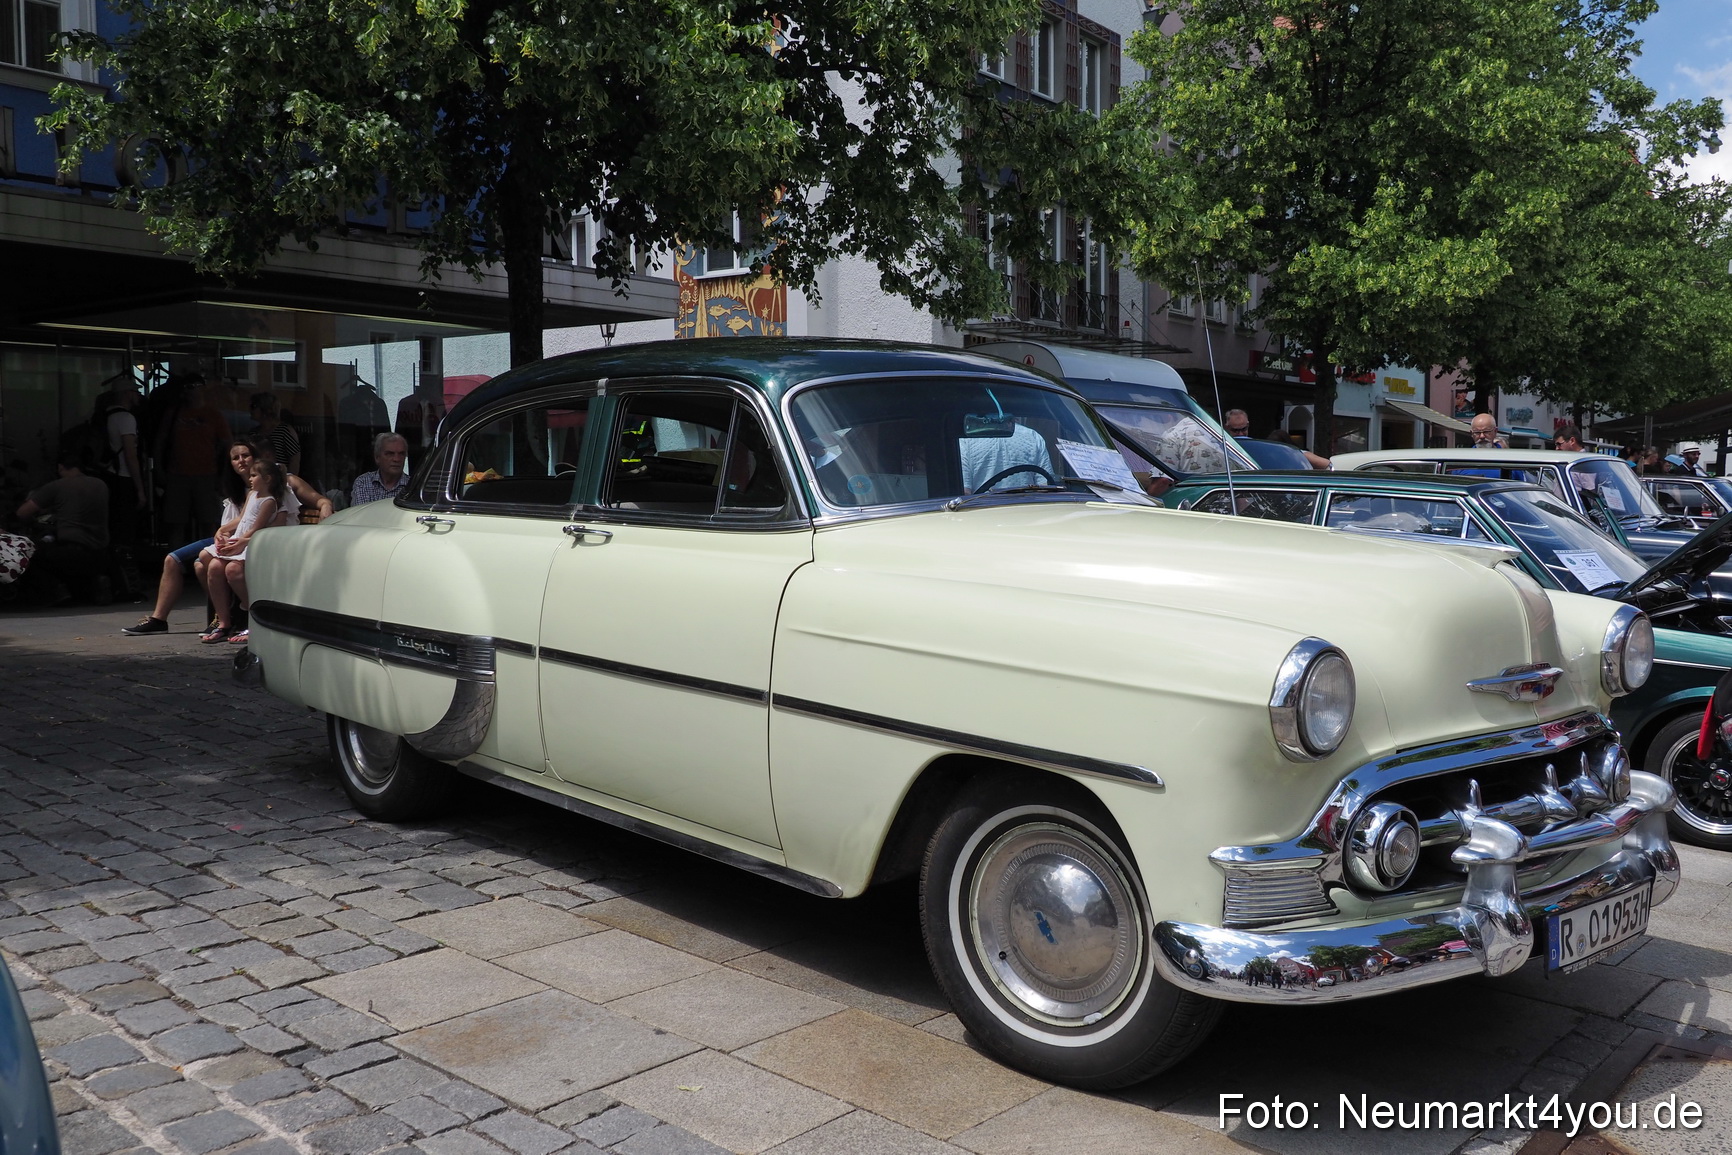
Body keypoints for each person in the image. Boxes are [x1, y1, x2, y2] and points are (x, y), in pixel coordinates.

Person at [121, 438, 332, 635]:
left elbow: (319, 500)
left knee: (203, 563)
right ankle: (161, 620)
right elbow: (234, 522)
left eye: (245, 456)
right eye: (235, 458)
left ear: (256, 457)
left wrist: (325, 509)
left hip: (258, 540)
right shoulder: (240, 489)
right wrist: (221, 534)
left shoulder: (283, 481)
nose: (241, 461)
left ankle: (227, 617)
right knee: (174, 559)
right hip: (235, 538)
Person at [202, 460, 285, 644]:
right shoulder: (252, 495)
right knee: (214, 566)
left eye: (255, 475)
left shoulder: (269, 501)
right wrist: (223, 530)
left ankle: (250, 608)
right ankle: (223, 622)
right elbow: (241, 519)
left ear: (268, 479)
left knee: (233, 570)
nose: (250, 478)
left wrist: (238, 543)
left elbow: (256, 527)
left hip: (250, 543)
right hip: (239, 538)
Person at [13, 452, 110, 605]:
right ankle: (95, 583)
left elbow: (22, 513)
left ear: (60, 467)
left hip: (70, 553)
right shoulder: (100, 484)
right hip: (101, 552)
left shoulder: (57, 485)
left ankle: (57, 588)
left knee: (25, 551)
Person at [155, 375, 234, 545]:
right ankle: (176, 562)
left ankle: (209, 558)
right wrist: (159, 469)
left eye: (192, 386)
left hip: (206, 475)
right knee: (176, 522)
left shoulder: (213, 414)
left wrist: (223, 477)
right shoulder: (173, 413)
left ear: (202, 388)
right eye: (186, 387)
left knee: (209, 521)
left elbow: (227, 445)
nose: (188, 391)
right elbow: (160, 442)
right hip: (176, 475)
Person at [250, 392, 301, 478]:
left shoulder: (284, 430)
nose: (250, 410)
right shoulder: (253, 433)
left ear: (265, 409)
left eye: (254, 406)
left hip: (280, 480)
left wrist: (288, 482)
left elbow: (295, 459)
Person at [351, 432, 411, 505]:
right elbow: (361, 514)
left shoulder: (413, 487)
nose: (396, 459)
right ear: (377, 457)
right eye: (390, 454)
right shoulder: (364, 482)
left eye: (401, 454)